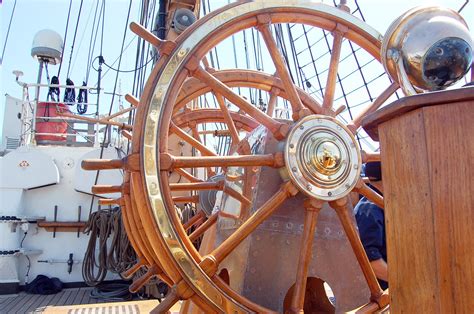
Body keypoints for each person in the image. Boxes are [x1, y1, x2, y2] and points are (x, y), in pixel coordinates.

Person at [354, 161, 388, 290]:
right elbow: (371, 261)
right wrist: (404, 284)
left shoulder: (378, 204)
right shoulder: (369, 210)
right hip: (385, 293)